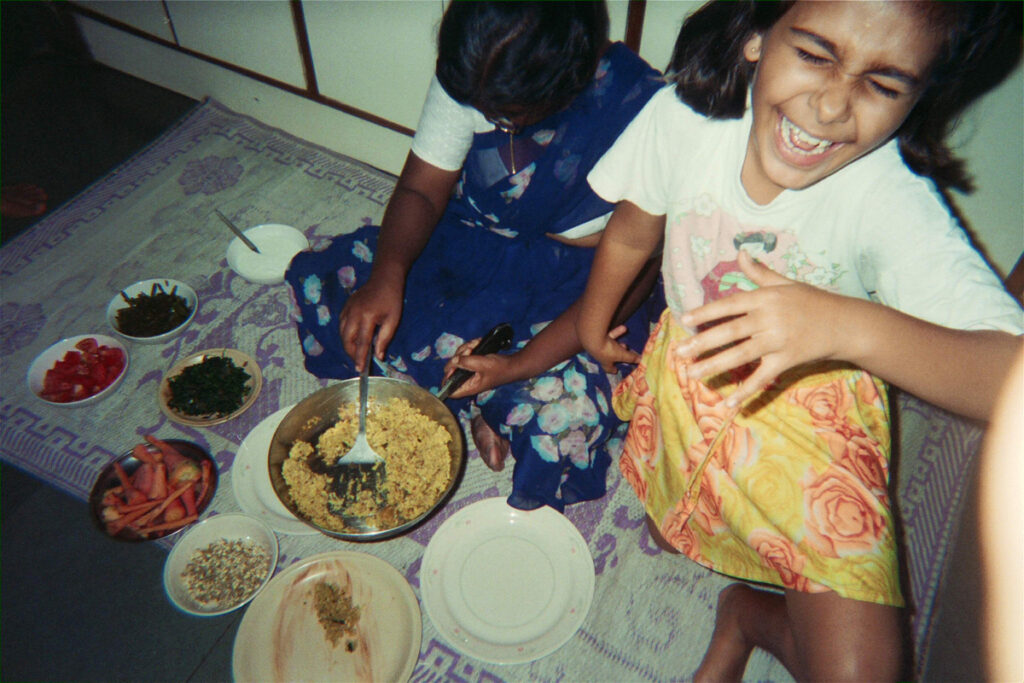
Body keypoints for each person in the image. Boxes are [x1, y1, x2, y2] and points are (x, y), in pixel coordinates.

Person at [575, 1, 1023, 680]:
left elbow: (1008, 379)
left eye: (884, 84)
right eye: (816, 53)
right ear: (755, 34)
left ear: (919, 99)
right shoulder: (683, 118)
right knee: (672, 525)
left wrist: (843, 324)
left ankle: (751, 614)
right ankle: (737, 595)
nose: (834, 105)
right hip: (693, 372)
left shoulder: (889, 201)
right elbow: (636, 227)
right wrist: (592, 315)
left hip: (813, 414)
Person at [286, 1, 664, 512]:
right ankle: (477, 398)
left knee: (563, 426)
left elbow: (630, 277)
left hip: (587, 286)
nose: (491, 122)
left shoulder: (642, 114)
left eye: (506, 116)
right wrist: (388, 275)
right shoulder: (477, 69)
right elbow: (422, 191)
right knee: (340, 292)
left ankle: (490, 397)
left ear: (573, 83)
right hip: (472, 241)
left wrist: (517, 366)